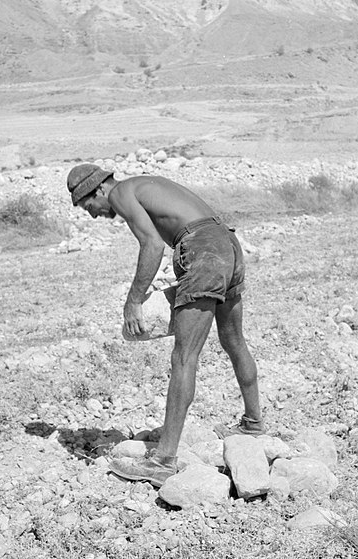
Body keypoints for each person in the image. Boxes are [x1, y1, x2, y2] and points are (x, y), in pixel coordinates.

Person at [67, 163, 265, 487]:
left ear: (99, 189)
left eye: (88, 206)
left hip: (201, 248)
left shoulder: (119, 192)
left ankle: (163, 459)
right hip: (227, 243)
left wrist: (133, 301)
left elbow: (153, 245)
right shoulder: (145, 185)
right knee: (234, 341)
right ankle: (254, 423)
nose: (93, 214)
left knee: (184, 357)